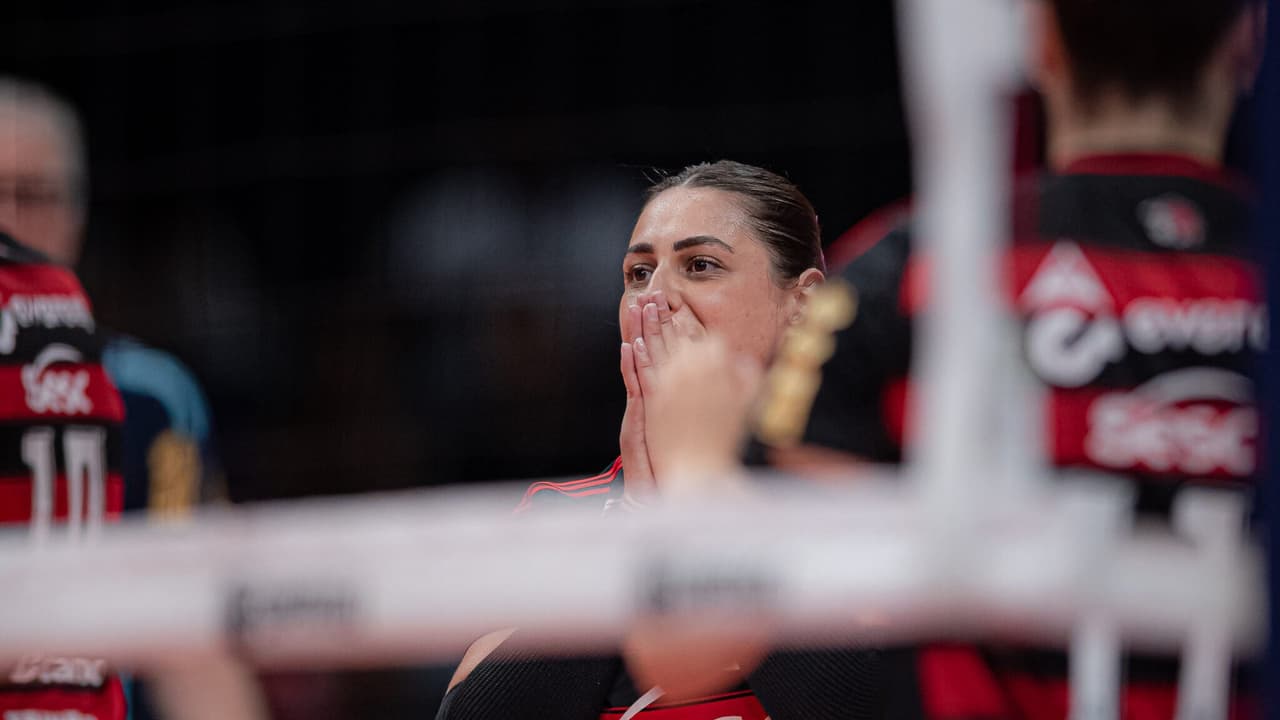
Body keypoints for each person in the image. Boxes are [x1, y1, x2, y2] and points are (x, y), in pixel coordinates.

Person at [649, 1, 1267, 718]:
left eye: (697, 265)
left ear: (1039, 43)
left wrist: (695, 462)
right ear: (1248, 39)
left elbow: (686, 647)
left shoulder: (917, 274)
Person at [439, 160, 889, 720]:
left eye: (700, 266)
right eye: (638, 274)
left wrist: (698, 487)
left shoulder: (871, 505)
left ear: (802, 307)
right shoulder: (559, 515)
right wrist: (636, 522)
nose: (656, 298)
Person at [0, 76, 267, 720]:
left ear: (77, 215)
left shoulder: (152, 397)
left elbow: (194, 640)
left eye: (34, 196)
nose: (9, 223)